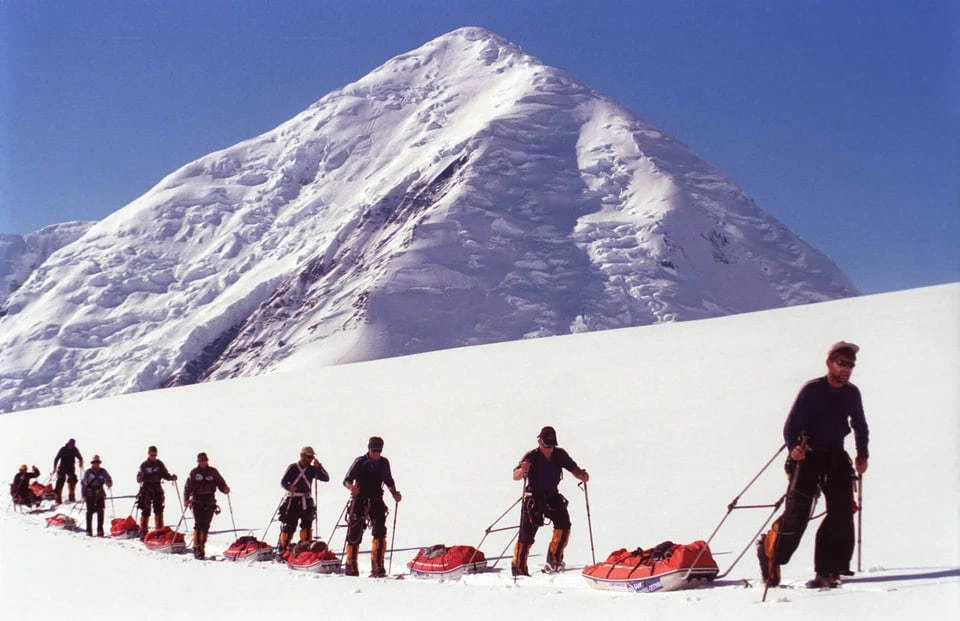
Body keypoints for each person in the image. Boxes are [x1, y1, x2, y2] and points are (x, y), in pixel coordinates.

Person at [758, 341, 869, 589]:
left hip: (836, 456)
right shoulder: (812, 390)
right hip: (807, 455)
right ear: (829, 362)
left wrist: (863, 455)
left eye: (850, 365)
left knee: (841, 512)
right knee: (798, 515)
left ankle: (827, 571)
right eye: (842, 363)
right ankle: (770, 551)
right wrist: (793, 448)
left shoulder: (852, 393)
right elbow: (790, 427)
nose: (846, 369)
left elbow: (860, 426)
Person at [511, 425, 589, 576]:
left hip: (552, 495)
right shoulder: (531, 456)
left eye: (551, 445)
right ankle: (519, 567)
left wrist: (582, 475)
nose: (549, 449)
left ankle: (554, 560)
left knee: (564, 524)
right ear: (540, 442)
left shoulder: (559, 455)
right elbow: (515, 476)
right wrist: (523, 470)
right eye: (546, 445)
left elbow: (574, 468)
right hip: (533, 497)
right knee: (527, 534)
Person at [342, 436, 402, 577]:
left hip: (376, 499)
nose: (376, 453)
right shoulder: (360, 462)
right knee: (355, 531)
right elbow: (346, 480)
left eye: (379, 451)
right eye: (374, 450)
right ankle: (351, 564)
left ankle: (377, 565)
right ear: (369, 449)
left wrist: (394, 493)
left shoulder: (384, 463)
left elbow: (388, 480)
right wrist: (352, 488)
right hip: (359, 499)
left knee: (380, 531)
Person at [278, 446, 330, 552]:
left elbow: (326, 478)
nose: (310, 459)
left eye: (311, 457)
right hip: (293, 500)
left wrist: (319, 467)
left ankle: (304, 549)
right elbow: (283, 482)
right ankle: (283, 549)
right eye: (308, 457)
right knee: (289, 526)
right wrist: (289, 487)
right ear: (302, 456)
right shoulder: (293, 467)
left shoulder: (312, 469)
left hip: (306, 501)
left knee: (307, 526)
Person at [183, 452, 230, 560]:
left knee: (206, 525)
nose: (203, 462)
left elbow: (220, 483)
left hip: (209, 501)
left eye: (205, 460)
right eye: (201, 461)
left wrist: (225, 489)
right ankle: (196, 547)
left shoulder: (213, 472)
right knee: (198, 524)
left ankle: (201, 547)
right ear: (198, 462)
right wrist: (186, 499)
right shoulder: (194, 473)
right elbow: (187, 487)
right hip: (197, 500)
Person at [136, 445, 178, 538]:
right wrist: (141, 477)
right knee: (146, 510)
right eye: (152, 455)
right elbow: (138, 478)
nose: (153, 457)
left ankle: (159, 531)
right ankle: (143, 531)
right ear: (148, 454)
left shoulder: (159, 464)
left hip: (157, 488)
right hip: (146, 489)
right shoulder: (143, 465)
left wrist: (171, 477)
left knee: (159, 510)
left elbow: (165, 474)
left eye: (155, 455)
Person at [81, 455, 113, 536]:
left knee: (100, 512)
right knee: (89, 512)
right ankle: (89, 530)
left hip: (100, 494)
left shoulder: (103, 471)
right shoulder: (88, 472)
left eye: (98, 462)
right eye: (95, 462)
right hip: (89, 494)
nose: (96, 464)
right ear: (92, 463)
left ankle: (100, 531)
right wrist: (84, 495)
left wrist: (109, 483)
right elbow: (84, 483)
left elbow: (108, 479)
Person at [52, 438, 84, 504]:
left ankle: (71, 496)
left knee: (73, 480)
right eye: (70, 445)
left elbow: (80, 457)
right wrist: (54, 468)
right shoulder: (63, 449)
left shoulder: (75, 450)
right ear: (68, 444)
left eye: (72, 445)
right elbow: (57, 458)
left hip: (70, 468)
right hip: (62, 468)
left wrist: (81, 462)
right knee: (60, 482)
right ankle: (58, 498)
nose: (71, 446)